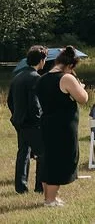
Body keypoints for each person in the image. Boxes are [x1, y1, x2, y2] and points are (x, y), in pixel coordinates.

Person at [36, 46, 88, 207]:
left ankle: (50, 197)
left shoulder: (42, 78)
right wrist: (81, 86)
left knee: (48, 160)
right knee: (60, 159)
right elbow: (83, 98)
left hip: (46, 123)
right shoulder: (66, 78)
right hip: (63, 126)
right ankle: (50, 200)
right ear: (71, 65)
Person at [9, 45, 46, 195]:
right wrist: (39, 120)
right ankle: (40, 186)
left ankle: (21, 186)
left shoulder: (17, 76)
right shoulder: (35, 78)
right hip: (32, 122)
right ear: (41, 60)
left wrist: (17, 114)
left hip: (20, 121)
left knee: (23, 153)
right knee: (43, 153)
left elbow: (10, 100)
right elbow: (34, 103)